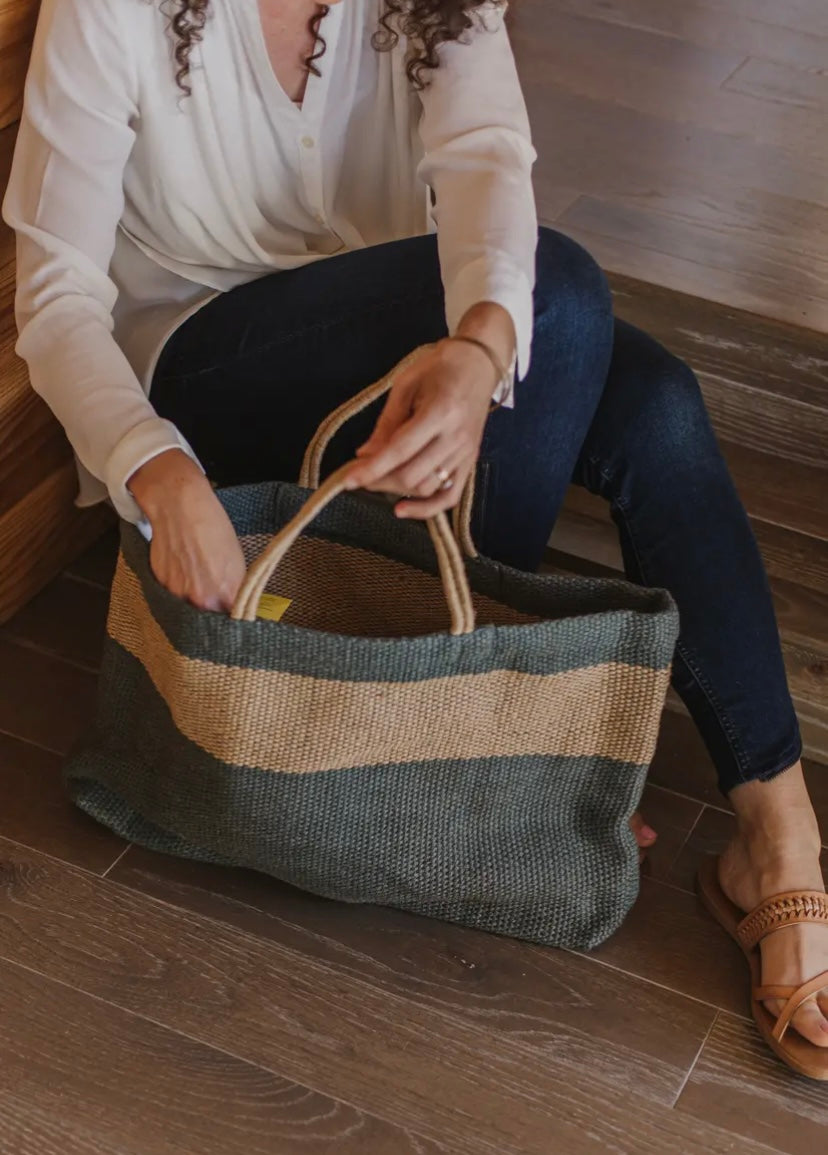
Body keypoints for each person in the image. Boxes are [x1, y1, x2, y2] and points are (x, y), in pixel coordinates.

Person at [3, 0, 826, 1076]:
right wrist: (158, 469)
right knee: (562, 295)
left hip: (400, 347)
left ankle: (779, 839)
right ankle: (486, 765)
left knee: (651, 398)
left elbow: (485, 160)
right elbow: (57, 295)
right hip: (207, 362)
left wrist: (481, 353)